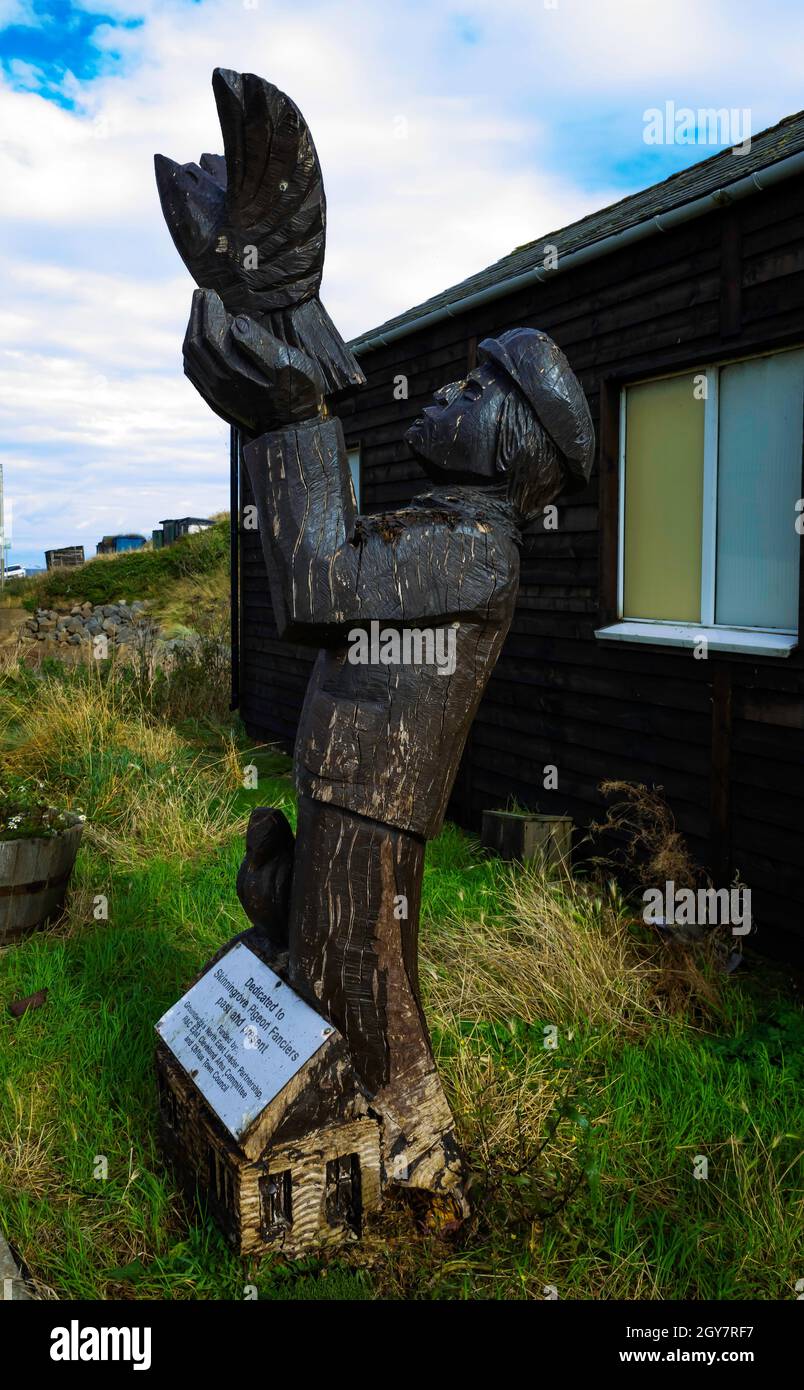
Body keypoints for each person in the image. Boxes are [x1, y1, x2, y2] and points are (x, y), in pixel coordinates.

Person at [183, 287, 594, 1198]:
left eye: (479, 387)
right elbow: (330, 578)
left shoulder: (477, 547)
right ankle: (373, 1156)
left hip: (374, 808)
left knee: (363, 992)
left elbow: (320, 584)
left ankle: (412, 1175)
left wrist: (292, 417)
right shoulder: (439, 528)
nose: (448, 391)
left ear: (512, 440)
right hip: (345, 793)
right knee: (326, 961)